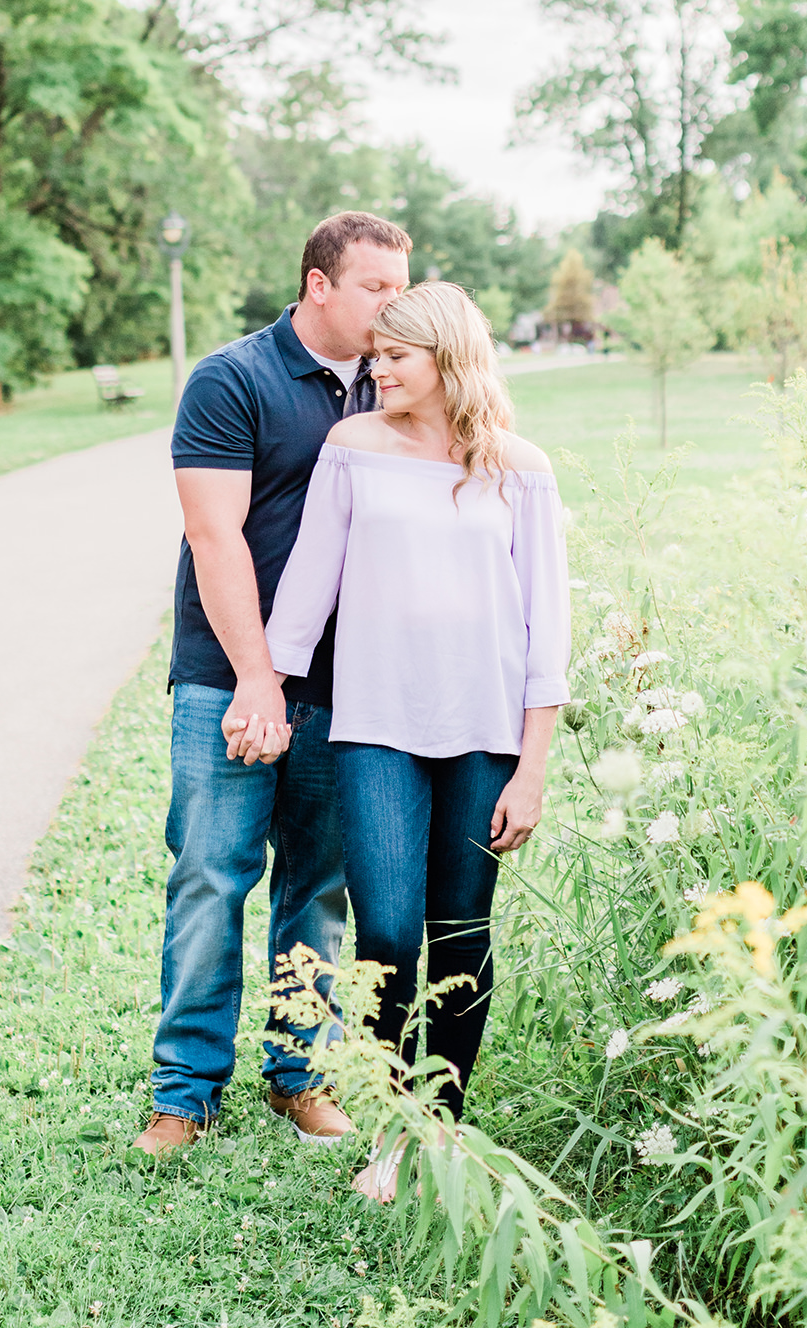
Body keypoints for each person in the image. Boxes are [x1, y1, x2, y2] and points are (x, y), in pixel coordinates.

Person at [264, 281, 569, 1198]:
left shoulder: (521, 467)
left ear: (447, 357)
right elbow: (308, 589)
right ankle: (391, 1124)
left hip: (483, 737)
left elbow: (543, 629)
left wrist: (532, 768)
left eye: (396, 355)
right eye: (374, 356)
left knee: (462, 936)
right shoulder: (352, 448)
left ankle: (436, 1130)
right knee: (389, 935)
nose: (377, 369)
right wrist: (265, 692)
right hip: (375, 729)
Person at [133, 212, 412, 1155]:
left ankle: (299, 1075)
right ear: (318, 283)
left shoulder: (397, 383)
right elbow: (214, 538)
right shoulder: (233, 379)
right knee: (210, 876)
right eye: (376, 285)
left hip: (348, 681)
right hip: (229, 676)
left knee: (319, 888)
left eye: (401, 286)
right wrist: (257, 676)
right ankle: (185, 1090)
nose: (393, 303)